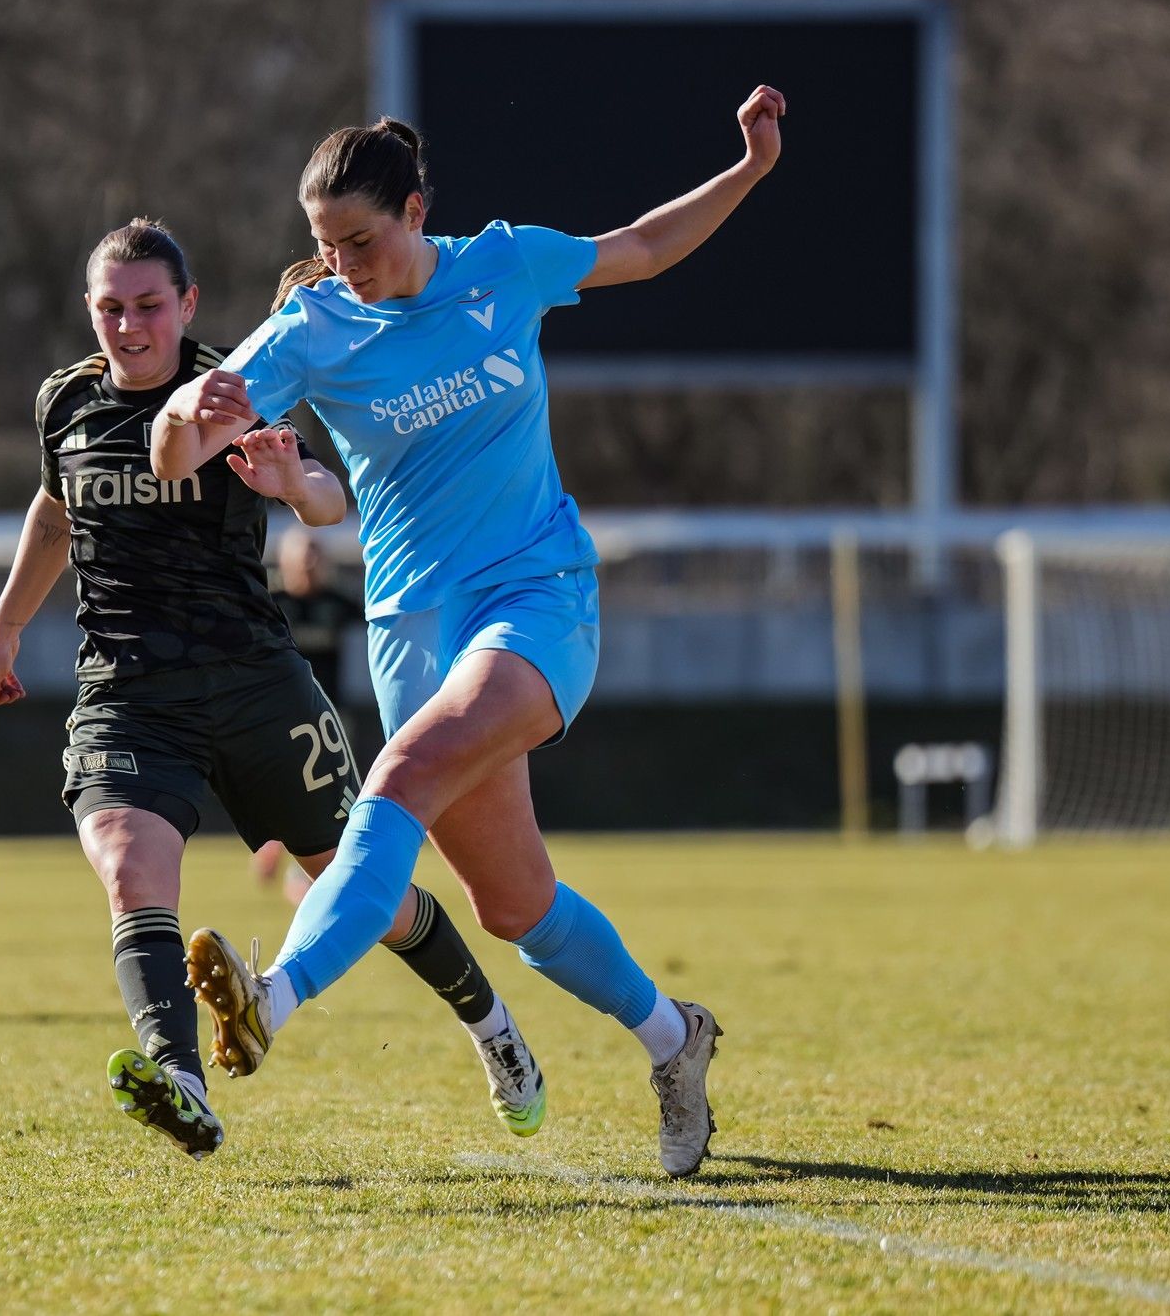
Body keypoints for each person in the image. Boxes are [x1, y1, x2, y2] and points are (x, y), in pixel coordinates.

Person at [154, 86, 786, 1177]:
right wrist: (186, 419)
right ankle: (674, 1037)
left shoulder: (504, 264)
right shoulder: (313, 327)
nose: (341, 263)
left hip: (536, 594)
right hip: (412, 628)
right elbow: (176, 451)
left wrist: (749, 171)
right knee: (515, 906)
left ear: (415, 210)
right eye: (324, 245)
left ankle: (272, 997)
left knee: (400, 775)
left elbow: (640, 248)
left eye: (359, 240)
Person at [0, 217, 547, 1160]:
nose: (129, 326)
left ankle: (493, 1027)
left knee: (368, 890)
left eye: (149, 306)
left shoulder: (235, 384)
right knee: (129, 868)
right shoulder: (64, 401)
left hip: (255, 686)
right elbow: (52, 510)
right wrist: (6, 626)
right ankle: (182, 1081)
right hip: (127, 693)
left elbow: (328, 496)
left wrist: (290, 484)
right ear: (90, 309)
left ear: (188, 304)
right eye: (111, 308)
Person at [255, 526, 364, 903]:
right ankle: (273, 847)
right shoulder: (270, 601)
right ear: (284, 562)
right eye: (303, 557)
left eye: (316, 556)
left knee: (334, 795)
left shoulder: (339, 601)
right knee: (278, 786)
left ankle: (313, 870)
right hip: (279, 715)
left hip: (330, 718)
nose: (310, 564)